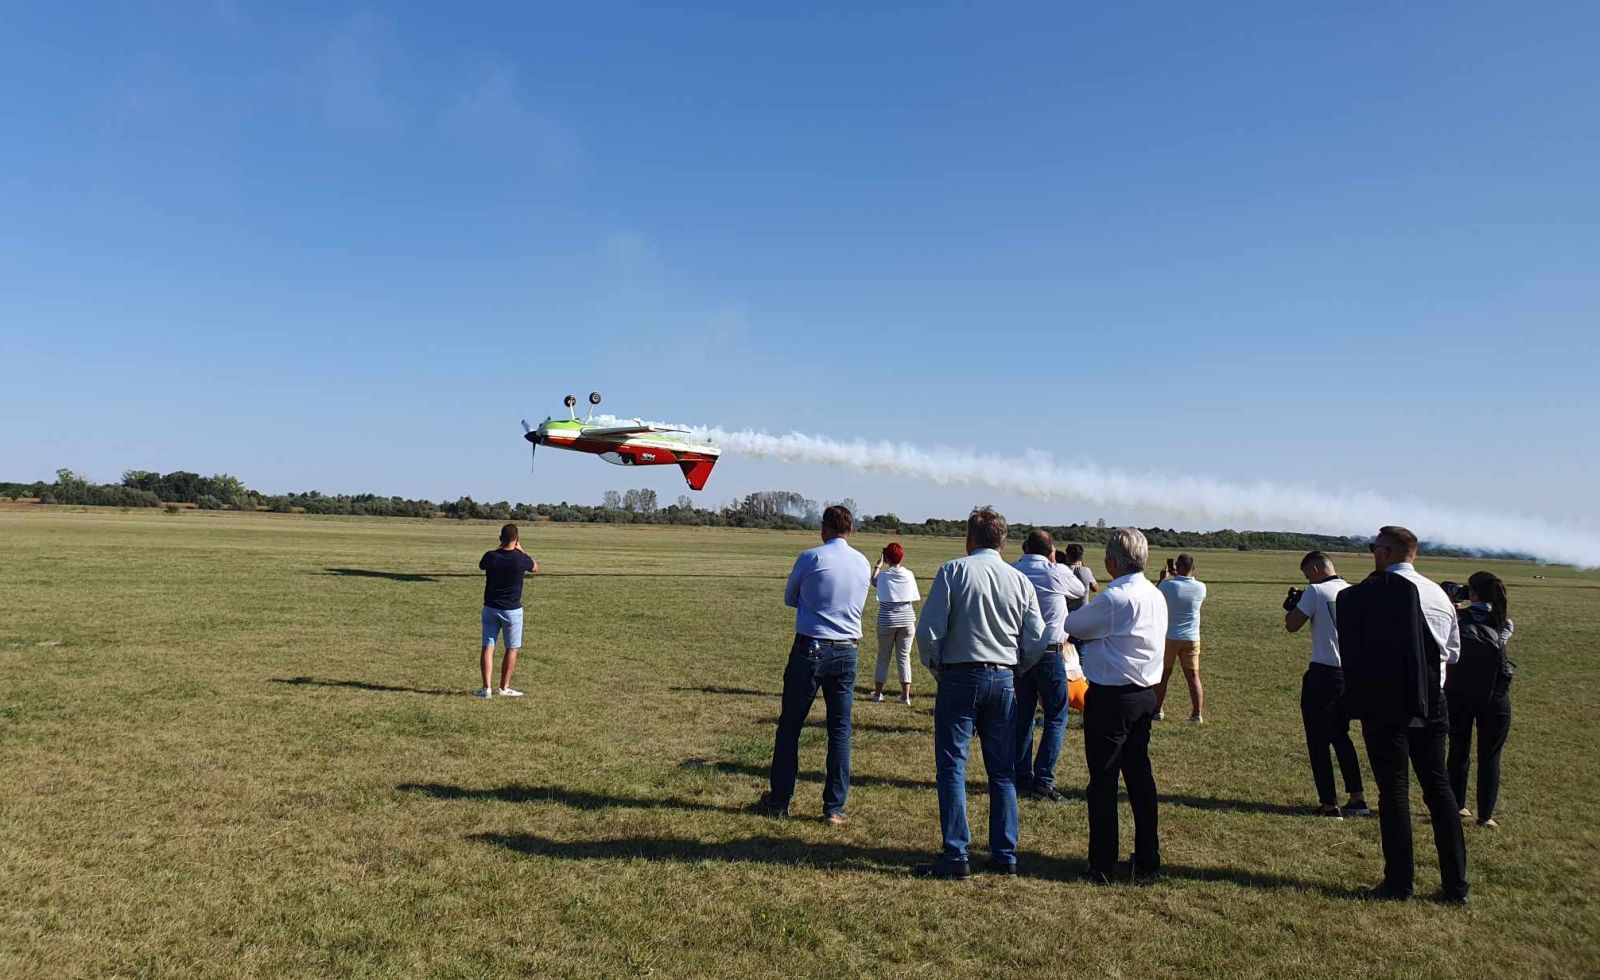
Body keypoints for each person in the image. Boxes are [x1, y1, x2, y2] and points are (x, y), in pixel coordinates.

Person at [913, 507, 1048, 879]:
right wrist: (1017, 666)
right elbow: (1037, 637)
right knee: (1002, 771)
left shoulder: (954, 571)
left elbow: (928, 632)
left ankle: (956, 853)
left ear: (969, 539)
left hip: (960, 676)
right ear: (1003, 541)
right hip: (1003, 678)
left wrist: (937, 667)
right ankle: (1005, 853)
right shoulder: (1019, 580)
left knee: (953, 767)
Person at [1337, 525, 1468, 905]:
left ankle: (1399, 882)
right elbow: (1453, 652)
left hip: (1388, 703)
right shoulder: (1439, 595)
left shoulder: (1374, 594)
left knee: (1394, 791)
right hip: (1434, 701)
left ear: (1383, 552)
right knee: (1439, 790)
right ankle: (1456, 885)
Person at [1062, 527, 1167, 882]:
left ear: (1111, 562)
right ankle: (1148, 860)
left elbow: (1072, 623)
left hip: (1112, 697)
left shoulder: (1115, 598)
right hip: (1145, 695)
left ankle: (1102, 863)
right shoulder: (1155, 594)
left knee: (1103, 781)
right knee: (1140, 779)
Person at [758, 505, 871, 826]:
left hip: (811, 648)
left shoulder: (812, 557)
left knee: (791, 725)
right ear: (850, 530)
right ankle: (834, 808)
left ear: (825, 529)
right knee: (840, 730)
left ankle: (779, 800)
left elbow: (790, 597)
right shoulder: (862, 562)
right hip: (848, 651)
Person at [1284, 551, 1368, 818]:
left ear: (1318, 569)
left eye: (1308, 575)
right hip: (1351, 675)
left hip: (1323, 674)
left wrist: (1293, 605)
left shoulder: (1316, 592)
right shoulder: (1353, 592)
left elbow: (1292, 625)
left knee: (1317, 740)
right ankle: (1357, 797)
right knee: (1341, 737)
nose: (1308, 580)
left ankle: (1329, 803)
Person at [1011, 529, 1086, 801]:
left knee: (1023, 716)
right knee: (1056, 715)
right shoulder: (1056, 572)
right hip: (1050, 652)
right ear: (1050, 550)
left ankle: (1020, 777)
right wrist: (1056, 562)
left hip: (1020, 653)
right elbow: (1079, 590)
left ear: (1024, 547)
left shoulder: (1013, 571)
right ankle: (1043, 779)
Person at [1446, 571, 1514, 830]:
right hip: (1494, 694)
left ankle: (1456, 805)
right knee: (1490, 756)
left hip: (1458, 692)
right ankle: (1486, 815)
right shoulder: (1504, 623)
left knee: (1458, 750)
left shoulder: (1456, 618)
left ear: (1471, 593)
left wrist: (1453, 601)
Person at [477, 523, 537, 698]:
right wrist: (521, 549)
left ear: (500, 538)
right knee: (512, 648)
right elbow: (535, 567)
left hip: (490, 607)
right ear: (516, 539)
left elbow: (482, 565)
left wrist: (500, 547)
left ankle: (486, 688)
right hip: (512, 610)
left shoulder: (491, 556)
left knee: (488, 646)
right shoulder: (521, 559)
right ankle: (504, 687)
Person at [1155, 554, 1207, 723]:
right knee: (1193, 676)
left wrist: (1163, 579)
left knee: (1163, 675)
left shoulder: (1168, 586)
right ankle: (1197, 714)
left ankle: (1158, 711)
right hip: (1192, 637)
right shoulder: (1201, 588)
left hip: (1170, 636)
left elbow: (1154, 596)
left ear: (1177, 567)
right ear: (1193, 568)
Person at [870, 543, 920, 705]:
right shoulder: (909, 574)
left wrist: (878, 565)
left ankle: (878, 694)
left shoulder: (884, 576)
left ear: (887, 558)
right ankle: (905, 696)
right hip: (907, 620)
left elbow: (873, 580)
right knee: (904, 657)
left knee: (883, 656)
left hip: (887, 620)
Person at [1061, 543, 1099, 611]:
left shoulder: (1061, 570)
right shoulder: (1086, 570)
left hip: (1065, 611)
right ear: (1081, 557)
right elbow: (1095, 588)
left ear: (1067, 556)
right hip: (1082, 611)